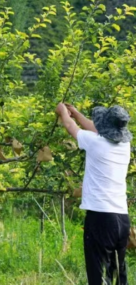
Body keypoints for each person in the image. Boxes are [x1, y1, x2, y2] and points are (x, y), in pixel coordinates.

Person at [56, 103, 132, 285]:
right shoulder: (125, 145)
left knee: (97, 275)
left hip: (100, 218)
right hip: (122, 219)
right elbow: (98, 129)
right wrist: (76, 112)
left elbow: (70, 127)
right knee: (117, 276)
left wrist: (63, 112)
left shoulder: (95, 142)